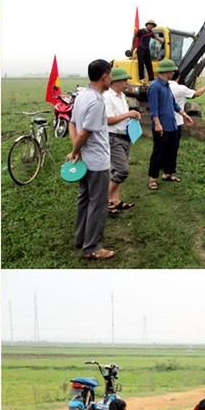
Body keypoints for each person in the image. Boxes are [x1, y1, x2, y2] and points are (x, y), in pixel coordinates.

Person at [68, 59, 115, 260]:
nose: (111, 79)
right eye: (110, 75)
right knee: (98, 204)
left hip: (85, 160)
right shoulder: (96, 101)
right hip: (97, 162)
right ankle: (92, 248)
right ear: (104, 76)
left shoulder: (81, 96)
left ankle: (81, 238)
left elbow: (72, 124)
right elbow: (85, 131)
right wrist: (76, 149)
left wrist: (76, 150)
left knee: (84, 200)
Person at [146, 58, 193, 188]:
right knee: (159, 152)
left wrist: (185, 115)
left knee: (172, 150)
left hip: (172, 125)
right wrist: (157, 124)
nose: (173, 73)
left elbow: (174, 104)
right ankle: (152, 179)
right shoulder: (155, 87)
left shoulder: (167, 86)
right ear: (166, 71)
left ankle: (168, 173)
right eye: (172, 71)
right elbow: (153, 108)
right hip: (161, 126)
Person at [103, 67, 139, 214]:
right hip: (113, 137)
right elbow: (108, 120)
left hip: (124, 136)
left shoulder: (122, 96)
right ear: (115, 81)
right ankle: (105, 200)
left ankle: (115, 201)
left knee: (116, 170)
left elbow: (123, 115)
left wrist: (132, 116)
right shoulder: (107, 97)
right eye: (124, 80)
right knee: (122, 171)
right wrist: (128, 115)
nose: (127, 82)